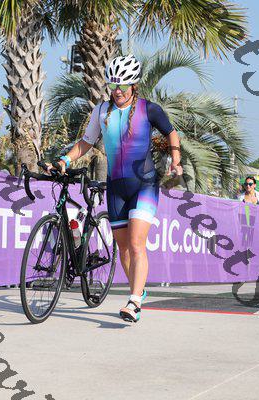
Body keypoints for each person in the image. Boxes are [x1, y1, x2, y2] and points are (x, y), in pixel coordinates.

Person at [47, 54, 182, 323]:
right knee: (122, 248)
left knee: (136, 243)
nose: (117, 91)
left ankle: (134, 302)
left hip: (144, 184)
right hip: (116, 187)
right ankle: (138, 291)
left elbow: (171, 132)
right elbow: (86, 142)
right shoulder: (102, 111)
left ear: (133, 85)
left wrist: (175, 159)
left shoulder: (148, 109)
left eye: (122, 85)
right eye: (113, 85)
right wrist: (64, 160)